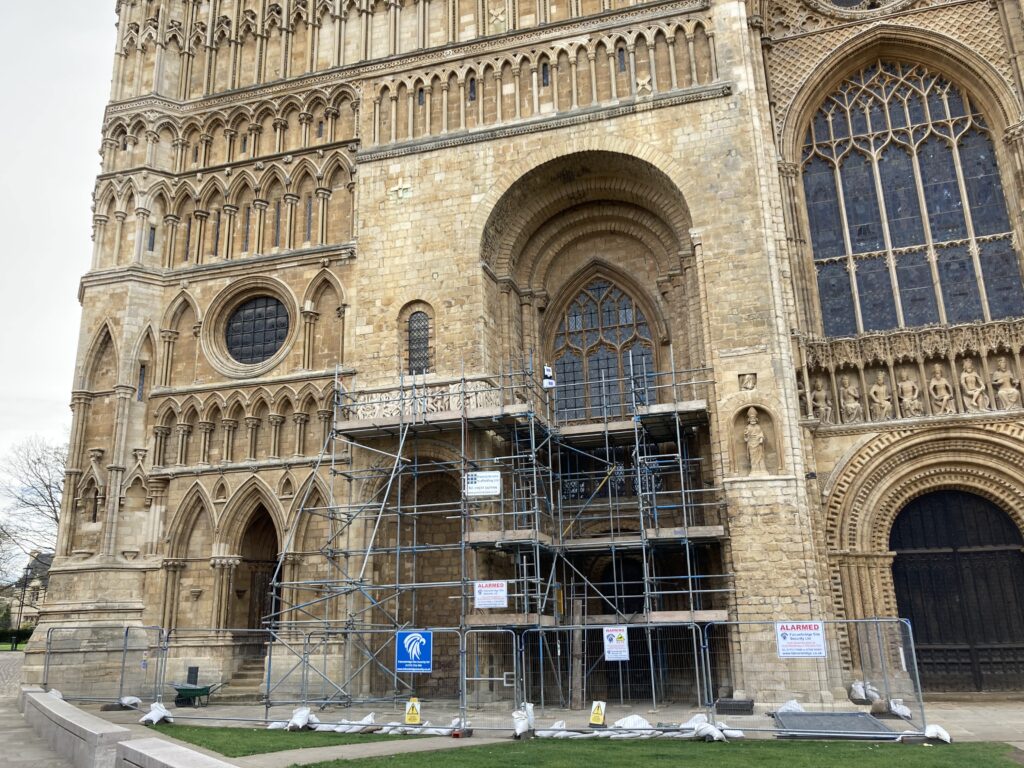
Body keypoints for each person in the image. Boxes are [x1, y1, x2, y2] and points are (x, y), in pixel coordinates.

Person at [743, 407, 767, 474]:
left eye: (754, 419)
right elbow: (745, 436)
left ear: (756, 419)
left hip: (758, 443)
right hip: (751, 443)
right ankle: (754, 470)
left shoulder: (758, 426)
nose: (752, 420)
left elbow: (761, 433)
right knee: (753, 457)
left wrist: (761, 438)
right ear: (749, 419)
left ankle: (762, 470)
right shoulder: (748, 427)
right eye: (751, 419)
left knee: (760, 457)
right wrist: (746, 435)